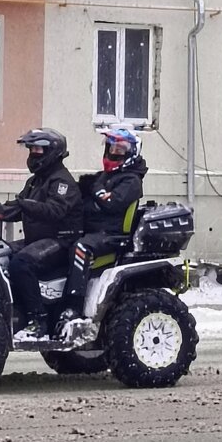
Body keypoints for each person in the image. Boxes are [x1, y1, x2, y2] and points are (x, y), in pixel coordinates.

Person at [0, 128, 83, 340]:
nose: (34, 154)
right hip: (37, 240)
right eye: (31, 149)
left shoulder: (61, 182)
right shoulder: (35, 181)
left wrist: (24, 205)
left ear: (53, 152)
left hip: (61, 240)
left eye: (38, 149)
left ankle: (38, 320)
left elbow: (54, 211)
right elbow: (19, 208)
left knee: (21, 263)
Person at [58, 127, 148, 328]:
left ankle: (74, 304)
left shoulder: (131, 180)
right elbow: (89, 193)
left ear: (132, 152)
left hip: (112, 234)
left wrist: (97, 191)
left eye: (120, 149)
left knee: (81, 248)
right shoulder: (106, 177)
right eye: (111, 148)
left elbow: (109, 203)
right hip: (95, 230)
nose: (114, 153)